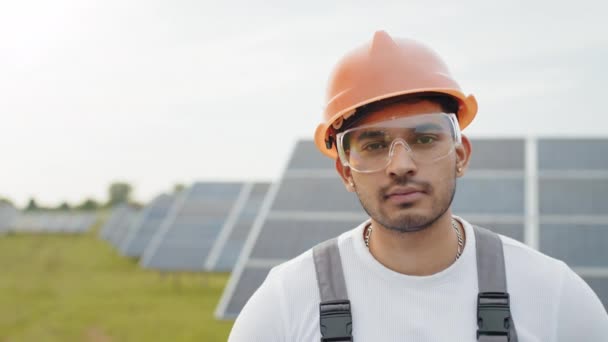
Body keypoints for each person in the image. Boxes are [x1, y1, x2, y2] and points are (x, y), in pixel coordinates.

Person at [228, 30, 608, 341]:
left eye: (425, 138)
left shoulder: (555, 298)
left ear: (460, 155)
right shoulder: (284, 306)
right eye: (374, 145)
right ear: (346, 172)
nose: (401, 165)